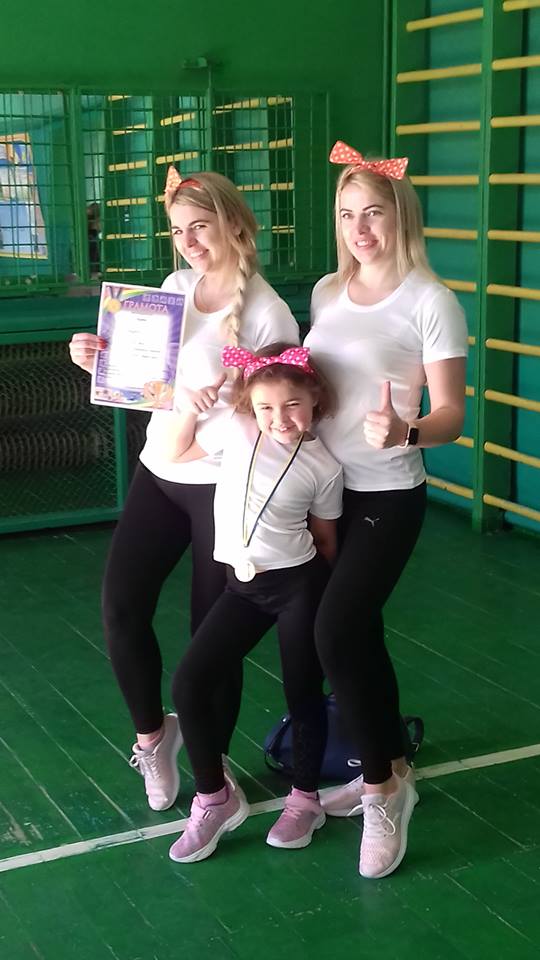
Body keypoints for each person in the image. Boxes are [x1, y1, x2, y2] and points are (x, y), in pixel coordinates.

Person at [69, 168, 299, 812]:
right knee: (120, 609)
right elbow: (147, 384)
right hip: (160, 472)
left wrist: (209, 429)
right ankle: (153, 736)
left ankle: (211, 766)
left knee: (209, 637)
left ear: (234, 224)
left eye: (200, 226)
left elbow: (274, 420)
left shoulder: (269, 314)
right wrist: (99, 359)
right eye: (177, 231)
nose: (189, 242)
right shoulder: (173, 290)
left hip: (220, 488)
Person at [304, 141, 468, 879]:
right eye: (347, 215)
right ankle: (394, 764)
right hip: (325, 491)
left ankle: (381, 794)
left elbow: (452, 415)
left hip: (387, 493)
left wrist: (406, 430)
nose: (360, 229)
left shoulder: (431, 300)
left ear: (400, 215)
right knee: (360, 634)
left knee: (334, 630)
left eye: (373, 213)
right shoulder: (326, 292)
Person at [165, 342, 343, 863]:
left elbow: (325, 540)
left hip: (298, 587)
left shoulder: (324, 466)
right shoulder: (237, 430)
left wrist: (328, 605)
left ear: (314, 401)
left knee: (302, 693)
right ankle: (213, 797)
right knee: (189, 682)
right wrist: (190, 408)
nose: (279, 418)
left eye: (292, 405)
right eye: (266, 407)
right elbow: (177, 452)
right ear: (250, 407)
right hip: (241, 588)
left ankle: (305, 800)